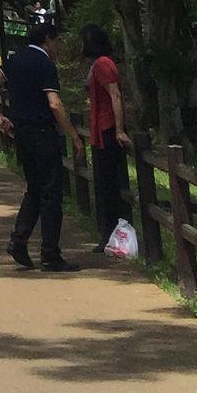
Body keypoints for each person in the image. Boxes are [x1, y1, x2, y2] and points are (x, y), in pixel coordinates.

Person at [0, 21, 85, 270]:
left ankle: (19, 240)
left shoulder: (16, 59)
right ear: (48, 40)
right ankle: (50, 253)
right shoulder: (45, 64)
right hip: (42, 133)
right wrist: (73, 135)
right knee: (52, 192)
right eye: (57, 41)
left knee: (34, 189)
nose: (59, 47)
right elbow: (54, 104)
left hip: (22, 134)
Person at [81, 22, 131, 249]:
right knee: (105, 186)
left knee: (109, 187)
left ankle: (113, 235)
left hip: (107, 130)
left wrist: (119, 129)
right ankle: (109, 235)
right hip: (99, 130)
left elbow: (115, 95)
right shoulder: (98, 65)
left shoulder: (102, 64)